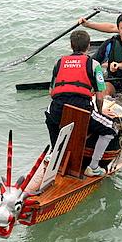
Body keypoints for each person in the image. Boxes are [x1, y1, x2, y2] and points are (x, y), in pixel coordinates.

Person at [44, 30, 114, 177]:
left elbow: (52, 92)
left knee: (49, 117)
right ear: (88, 46)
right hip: (82, 108)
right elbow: (100, 96)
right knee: (110, 129)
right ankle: (93, 167)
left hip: (57, 107)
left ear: (71, 46)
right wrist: (100, 113)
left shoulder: (59, 62)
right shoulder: (94, 65)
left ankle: (54, 153)